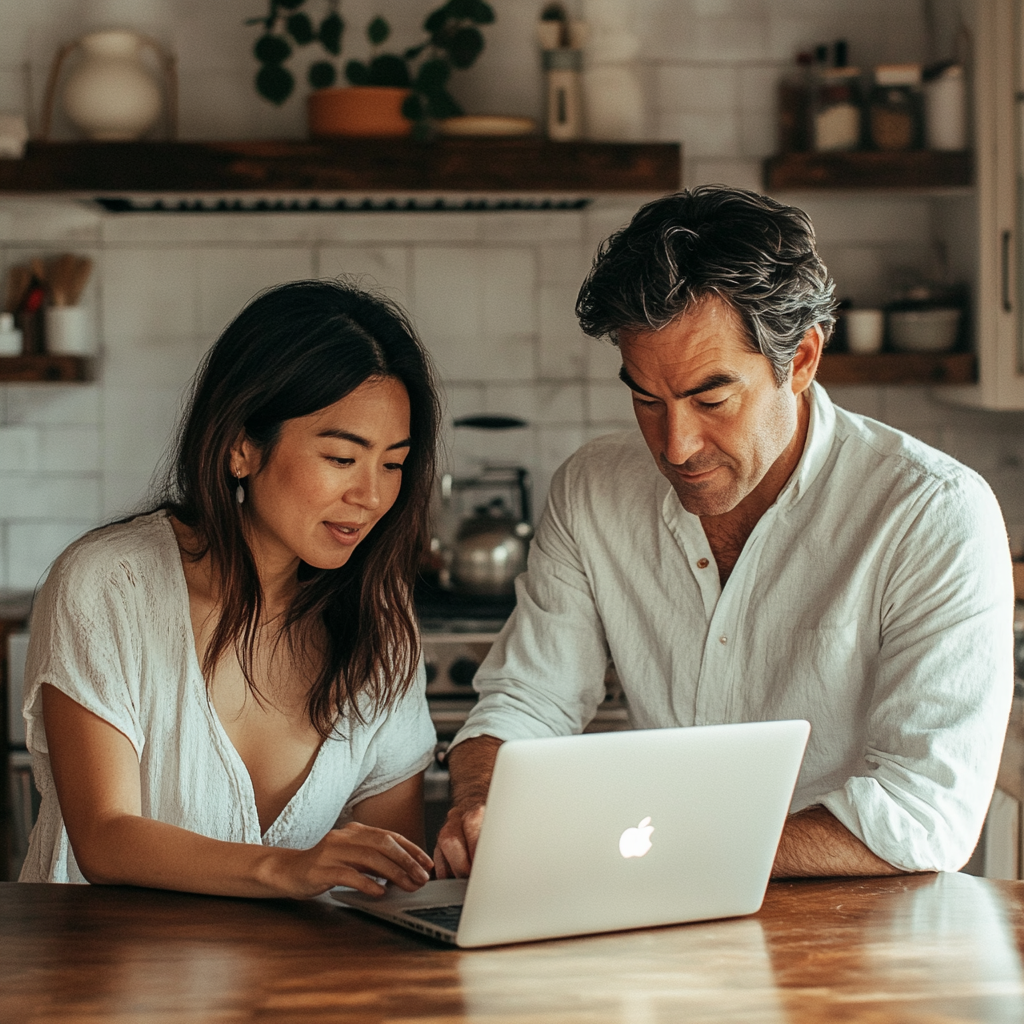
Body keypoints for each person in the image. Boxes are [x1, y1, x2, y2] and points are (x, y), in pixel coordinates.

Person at [435, 185, 1015, 880]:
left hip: (857, 943)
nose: (675, 446)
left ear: (800, 361)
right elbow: (528, 699)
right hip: (652, 916)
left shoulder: (932, 515)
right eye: (646, 398)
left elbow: (924, 815)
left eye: (711, 398)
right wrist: (482, 801)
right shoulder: (593, 491)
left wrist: (673, 852)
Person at [21, 280, 441, 899]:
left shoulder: (379, 615)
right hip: (95, 984)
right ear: (241, 446)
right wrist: (287, 869)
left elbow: (387, 872)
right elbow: (105, 837)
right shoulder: (109, 585)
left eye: (394, 463)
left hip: (297, 991)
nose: (372, 496)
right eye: (341, 458)